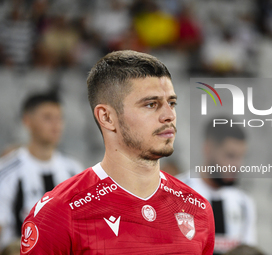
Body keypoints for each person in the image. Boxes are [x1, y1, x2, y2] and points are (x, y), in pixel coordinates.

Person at [20, 50, 215, 254]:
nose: (169, 115)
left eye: (172, 103)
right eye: (151, 104)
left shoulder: (197, 207)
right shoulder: (60, 212)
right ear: (107, 118)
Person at [0, 91, 83, 250]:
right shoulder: (6, 172)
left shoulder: (74, 171)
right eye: (47, 118)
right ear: (27, 121)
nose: (56, 125)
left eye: (59, 118)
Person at [179, 116, 256, 255]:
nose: (238, 165)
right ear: (208, 149)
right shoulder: (176, 191)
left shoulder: (244, 202)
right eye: (230, 156)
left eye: (241, 157)